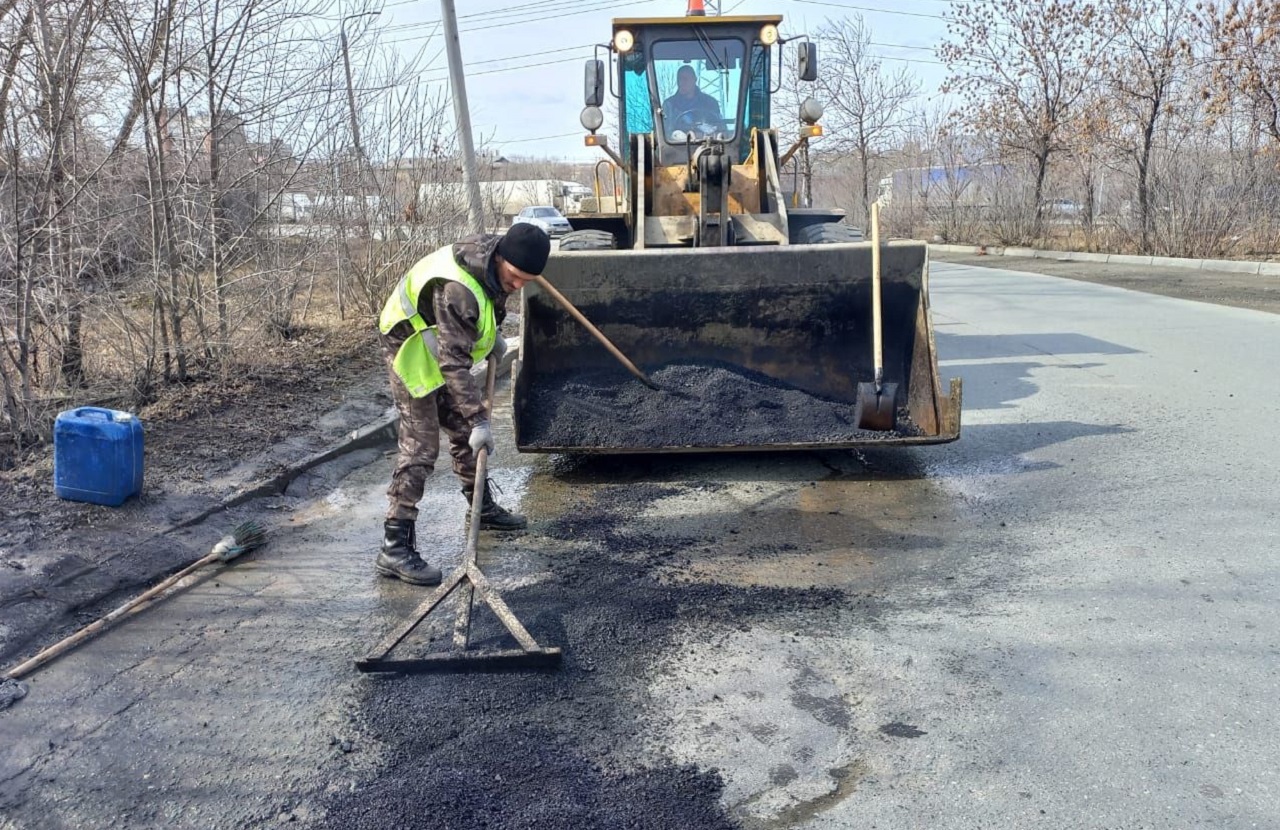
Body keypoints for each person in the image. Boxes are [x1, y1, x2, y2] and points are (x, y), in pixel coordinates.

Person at [374, 224, 551, 585]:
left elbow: (482, 311)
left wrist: (491, 336)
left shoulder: (493, 262)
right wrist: (480, 419)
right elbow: (453, 364)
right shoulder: (459, 290)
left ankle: (481, 508)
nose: (518, 285)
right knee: (421, 446)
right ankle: (394, 547)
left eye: (527, 280)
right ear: (501, 257)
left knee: (463, 429)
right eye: (515, 276)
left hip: (440, 341)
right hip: (411, 349)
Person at [662, 65, 723, 137]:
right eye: (679, 79)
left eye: (685, 79)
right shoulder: (669, 105)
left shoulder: (711, 103)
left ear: (695, 79)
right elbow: (664, 132)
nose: (681, 83)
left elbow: (720, 129)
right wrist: (676, 135)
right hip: (678, 144)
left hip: (707, 142)